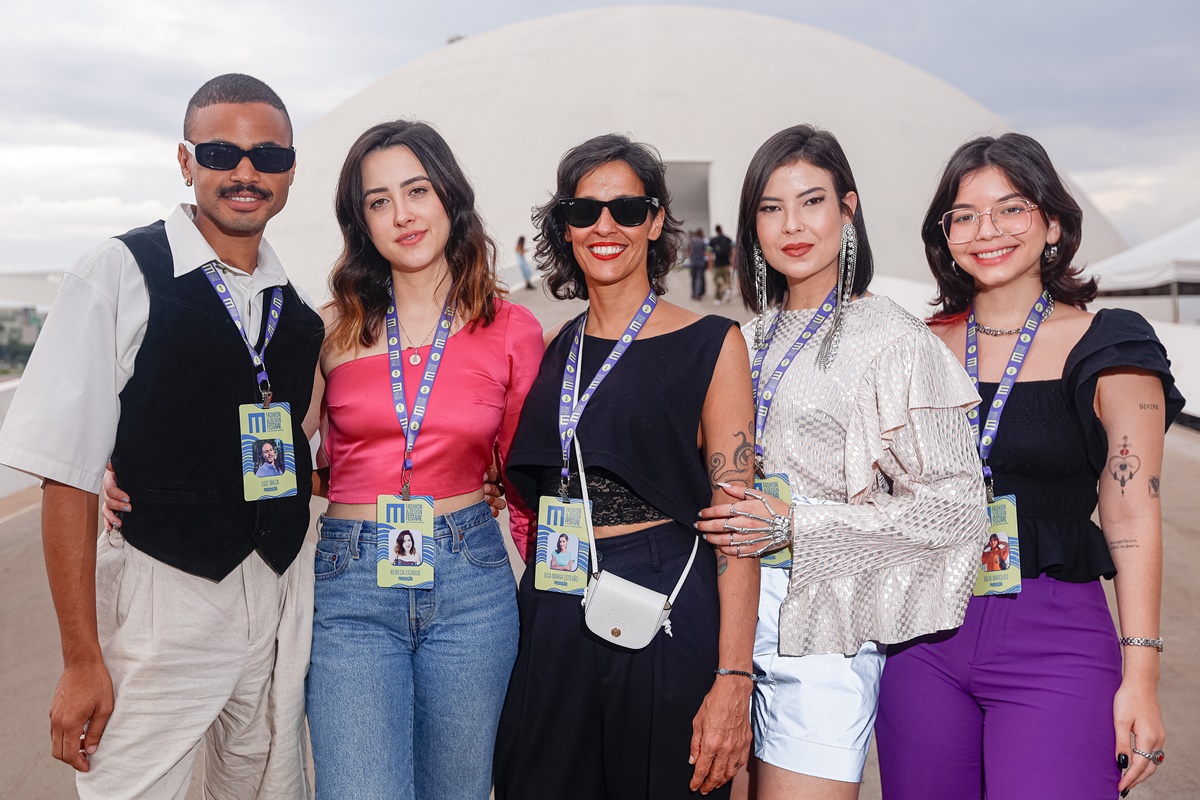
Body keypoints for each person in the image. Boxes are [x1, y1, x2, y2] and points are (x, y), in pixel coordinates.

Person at [0, 74, 320, 798]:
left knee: (259, 785)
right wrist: (82, 659)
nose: (245, 172)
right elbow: (67, 472)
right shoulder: (116, 272)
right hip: (160, 598)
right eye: (220, 151)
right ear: (186, 162)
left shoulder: (293, 309)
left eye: (268, 156)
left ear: (291, 169)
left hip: (272, 598)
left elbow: (303, 448)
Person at [874, 133, 1184, 799]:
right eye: (965, 215)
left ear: (1051, 223)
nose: (987, 230)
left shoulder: (1112, 344)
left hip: (1055, 640)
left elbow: (1133, 515)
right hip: (922, 640)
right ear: (945, 234)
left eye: (1010, 209)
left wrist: (1142, 679)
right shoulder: (914, 348)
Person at [693, 124, 988, 800]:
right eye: (770, 208)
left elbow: (954, 509)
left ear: (848, 210)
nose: (792, 225)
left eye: (812, 201)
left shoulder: (892, 338)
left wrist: (802, 524)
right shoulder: (743, 336)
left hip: (821, 636)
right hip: (719, 626)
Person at [494, 133, 758, 800]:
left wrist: (733, 680)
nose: (604, 227)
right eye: (584, 212)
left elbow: (739, 525)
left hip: (663, 608)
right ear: (565, 226)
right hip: (556, 606)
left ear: (656, 219)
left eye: (626, 209)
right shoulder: (561, 345)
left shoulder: (712, 345)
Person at [305, 119, 543, 800]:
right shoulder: (329, 329)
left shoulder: (510, 329)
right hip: (351, 585)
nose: (402, 214)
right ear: (361, 222)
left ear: (449, 197)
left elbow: (530, 484)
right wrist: (138, 471)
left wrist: (560, 596)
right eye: (379, 201)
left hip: (472, 581)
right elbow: (279, 451)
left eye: (416, 190)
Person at [709, 224, 734, 304]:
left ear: (716, 230)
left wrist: (710, 265)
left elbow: (710, 253)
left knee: (717, 281)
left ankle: (717, 298)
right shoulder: (728, 239)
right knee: (727, 280)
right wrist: (732, 262)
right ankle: (728, 292)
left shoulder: (713, 240)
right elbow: (732, 251)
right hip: (726, 263)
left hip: (717, 264)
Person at [688, 227, 709, 299]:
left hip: (693, 262)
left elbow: (688, 251)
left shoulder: (691, 241)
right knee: (699, 278)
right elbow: (706, 252)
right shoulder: (702, 241)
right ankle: (698, 293)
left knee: (693, 278)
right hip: (701, 262)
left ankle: (693, 293)